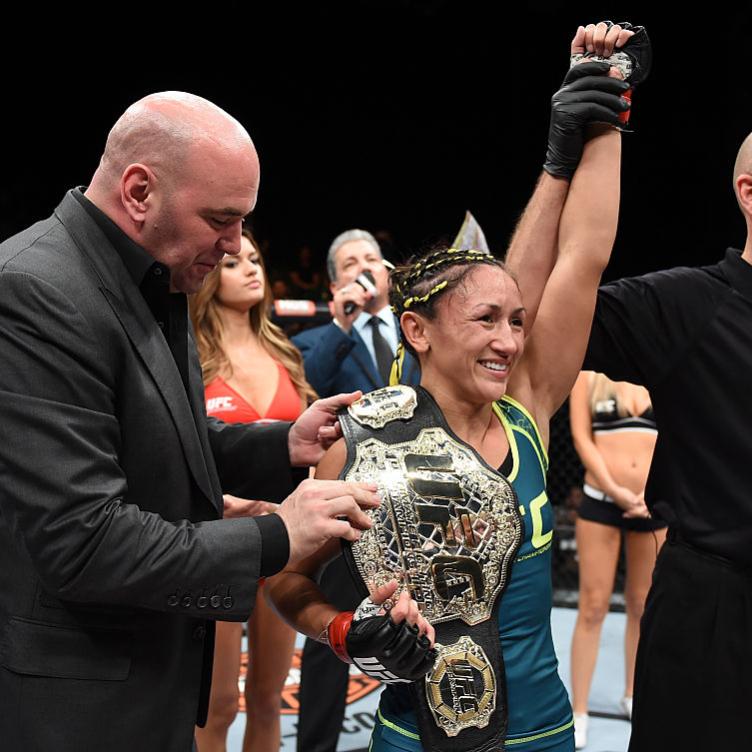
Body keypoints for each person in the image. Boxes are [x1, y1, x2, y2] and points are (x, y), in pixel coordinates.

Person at [267, 25, 635, 752]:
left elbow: (584, 255)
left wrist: (606, 111)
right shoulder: (361, 439)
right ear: (419, 330)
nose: (509, 340)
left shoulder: (526, 411)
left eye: (517, 322)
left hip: (546, 736)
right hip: (412, 735)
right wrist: (340, 630)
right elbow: (284, 577)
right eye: (487, 321)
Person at [0, 91, 388, 752]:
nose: (235, 243)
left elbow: (158, 436)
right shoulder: (35, 289)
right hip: (79, 705)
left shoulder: (157, 273)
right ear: (139, 190)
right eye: (220, 218)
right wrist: (276, 536)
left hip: (150, 676)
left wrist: (280, 446)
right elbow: (85, 541)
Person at [292, 228, 421, 752]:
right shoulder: (318, 340)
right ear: (334, 283)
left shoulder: (419, 334)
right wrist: (341, 323)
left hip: (418, 503)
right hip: (351, 508)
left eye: (373, 258)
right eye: (351, 263)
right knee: (331, 635)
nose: (366, 268)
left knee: (424, 625)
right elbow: (306, 387)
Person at [189, 228, 317, 752]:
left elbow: (308, 452)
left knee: (269, 698)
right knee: (217, 705)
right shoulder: (190, 354)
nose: (250, 269)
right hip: (219, 544)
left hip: (284, 545)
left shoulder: (286, 354)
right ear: (211, 274)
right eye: (235, 262)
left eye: (257, 259)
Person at [567, 372, 666, 748]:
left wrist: (655, 492)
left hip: (652, 505)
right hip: (601, 502)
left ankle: (632, 694)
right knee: (592, 606)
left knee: (644, 604)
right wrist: (617, 492)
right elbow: (581, 438)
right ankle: (578, 711)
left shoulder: (658, 363)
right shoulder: (588, 376)